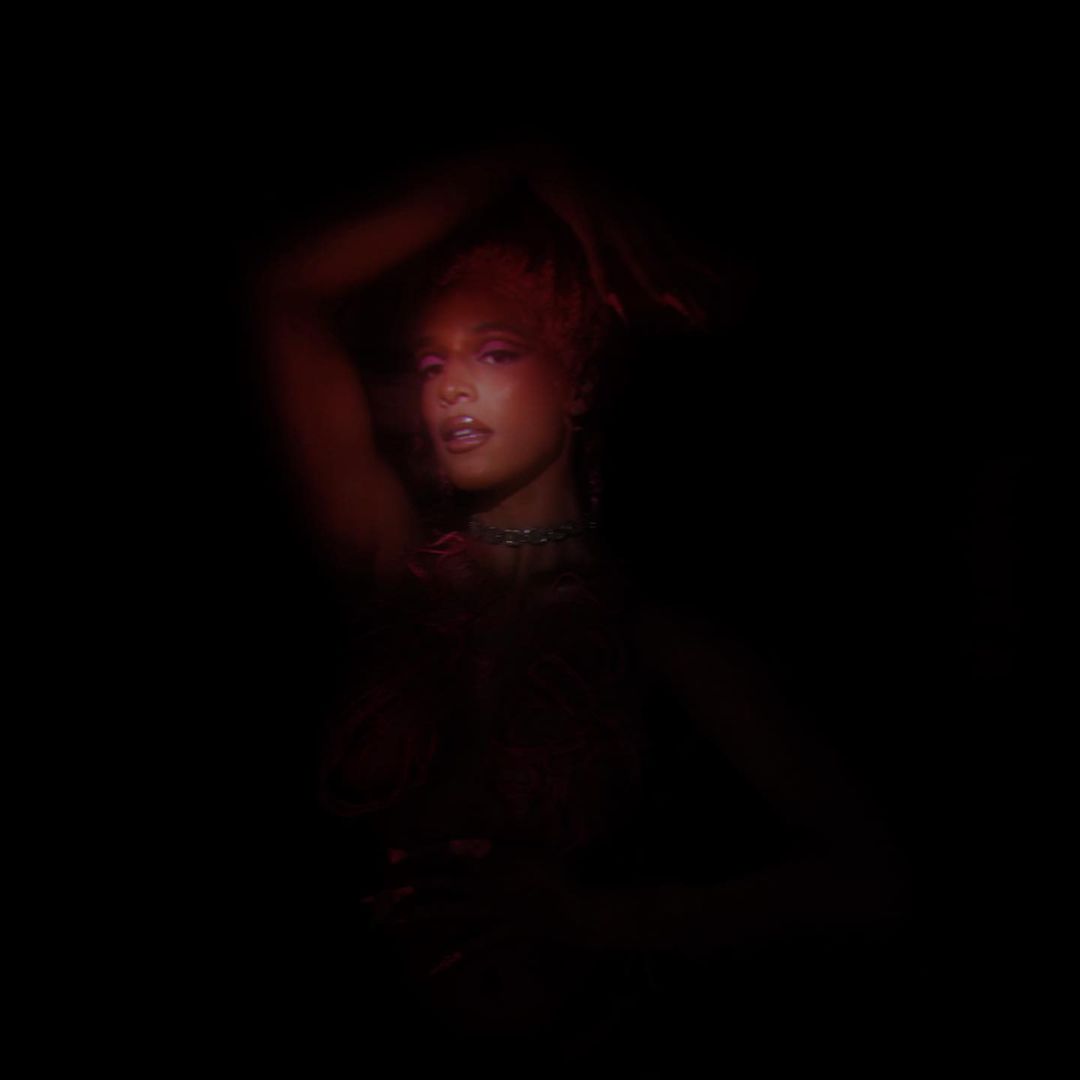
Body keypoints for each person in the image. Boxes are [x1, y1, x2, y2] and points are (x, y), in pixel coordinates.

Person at [252, 141, 911, 1063]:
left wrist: (603, 920)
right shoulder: (387, 558)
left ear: (581, 379)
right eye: (430, 363)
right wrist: (518, 154)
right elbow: (284, 287)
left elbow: (878, 880)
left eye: (496, 351)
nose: (452, 386)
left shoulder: (657, 634)